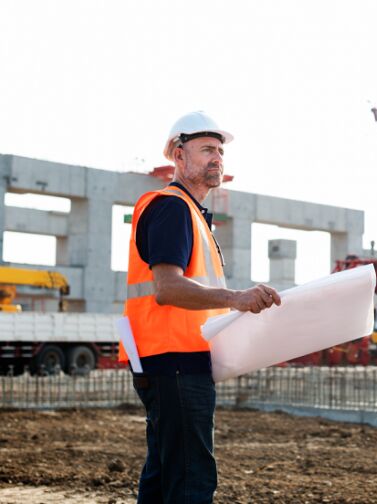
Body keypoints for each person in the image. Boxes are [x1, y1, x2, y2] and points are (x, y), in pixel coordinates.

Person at [120, 111, 281, 503]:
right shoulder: (173, 207)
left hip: (167, 361)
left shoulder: (189, 214)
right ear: (178, 156)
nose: (217, 159)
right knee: (190, 481)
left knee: (163, 478)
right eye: (207, 149)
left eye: (220, 152)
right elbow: (168, 288)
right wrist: (236, 298)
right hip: (175, 361)